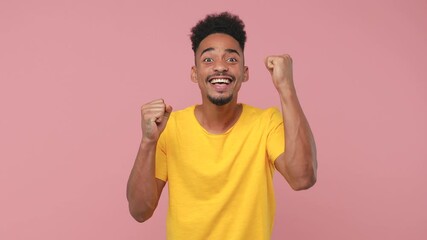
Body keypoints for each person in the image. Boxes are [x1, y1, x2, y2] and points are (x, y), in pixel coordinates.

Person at [127, 12, 317, 240]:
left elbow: (303, 178)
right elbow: (139, 211)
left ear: (245, 74)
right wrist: (148, 142)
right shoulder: (170, 127)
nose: (220, 67)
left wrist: (286, 87)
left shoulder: (266, 123)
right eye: (208, 60)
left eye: (231, 59)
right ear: (194, 74)